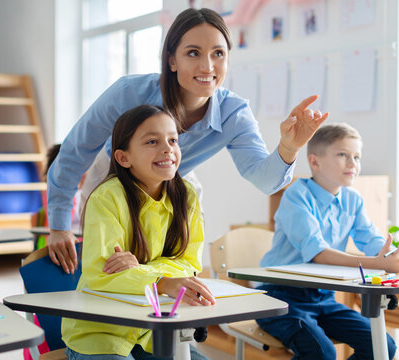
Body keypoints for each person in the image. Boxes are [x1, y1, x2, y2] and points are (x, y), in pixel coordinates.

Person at [46, 7, 329, 274]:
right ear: (172, 60)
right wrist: (59, 226)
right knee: (110, 267)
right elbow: (75, 151)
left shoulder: (234, 113)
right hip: (114, 173)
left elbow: (265, 180)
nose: (207, 66)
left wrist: (289, 147)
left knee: (177, 248)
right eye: (193, 53)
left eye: (218, 53)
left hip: (174, 177)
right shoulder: (128, 93)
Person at [61, 104, 215, 359]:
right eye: (152, 141)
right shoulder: (106, 198)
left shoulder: (186, 196)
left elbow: (189, 265)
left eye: (173, 140)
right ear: (123, 157)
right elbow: (103, 276)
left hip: (153, 331)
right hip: (100, 333)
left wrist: (139, 271)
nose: (167, 149)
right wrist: (163, 281)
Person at [257, 123, 399, 359]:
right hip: (279, 297)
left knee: (383, 346)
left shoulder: (353, 199)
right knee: (321, 352)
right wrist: (381, 264)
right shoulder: (297, 195)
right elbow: (319, 253)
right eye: (343, 155)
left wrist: (394, 256)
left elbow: (372, 240)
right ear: (315, 162)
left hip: (323, 298)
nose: (353, 163)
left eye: (357, 157)